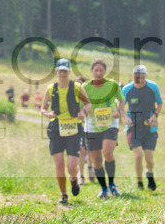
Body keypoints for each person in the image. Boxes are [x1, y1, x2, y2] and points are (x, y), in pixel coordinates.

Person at [41, 58, 92, 205]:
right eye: (60, 71)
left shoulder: (76, 87)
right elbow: (43, 108)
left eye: (65, 71)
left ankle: (74, 179)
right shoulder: (51, 88)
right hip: (56, 127)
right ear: (56, 72)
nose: (62, 73)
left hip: (73, 128)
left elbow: (88, 104)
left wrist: (83, 112)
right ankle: (63, 194)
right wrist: (47, 113)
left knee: (71, 166)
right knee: (59, 164)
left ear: (69, 71)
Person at [82, 59, 126, 198]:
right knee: (96, 160)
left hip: (110, 125)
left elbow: (122, 100)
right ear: (92, 71)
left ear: (105, 71)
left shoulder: (112, 85)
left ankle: (112, 184)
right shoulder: (85, 87)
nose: (98, 73)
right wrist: (85, 111)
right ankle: (103, 188)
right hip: (92, 127)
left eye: (101, 70)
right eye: (96, 70)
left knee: (107, 152)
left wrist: (118, 111)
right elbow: (80, 106)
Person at [123, 64, 163, 191]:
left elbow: (160, 103)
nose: (139, 79)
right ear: (133, 76)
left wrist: (155, 116)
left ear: (145, 76)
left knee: (149, 159)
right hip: (133, 127)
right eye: (137, 76)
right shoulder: (127, 89)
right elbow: (120, 107)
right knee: (138, 156)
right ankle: (139, 182)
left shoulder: (153, 87)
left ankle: (149, 174)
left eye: (142, 76)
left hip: (149, 128)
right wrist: (125, 117)